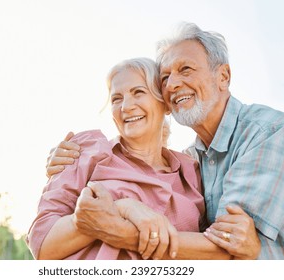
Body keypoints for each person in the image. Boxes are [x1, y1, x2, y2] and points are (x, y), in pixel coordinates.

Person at [47, 22, 284, 259]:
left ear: (223, 76)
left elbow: (228, 247)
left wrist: (119, 229)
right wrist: (72, 161)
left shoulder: (267, 132)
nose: (173, 84)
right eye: (166, 77)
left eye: (186, 69)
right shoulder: (192, 160)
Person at [27, 57, 235, 260]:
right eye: (117, 98)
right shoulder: (87, 151)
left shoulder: (191, 171)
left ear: (165, 103)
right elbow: (43, 245)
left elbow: (214, 249)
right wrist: (121, 208)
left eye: (138, 92)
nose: (126, 106)